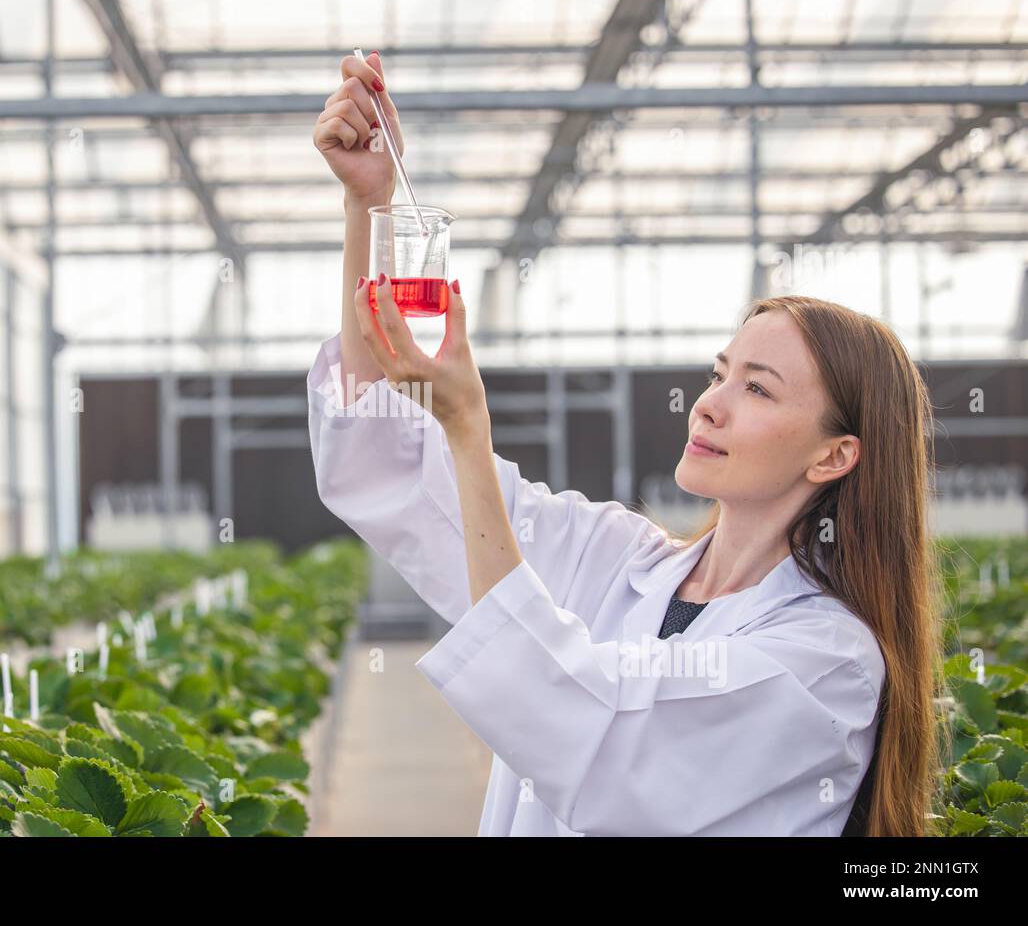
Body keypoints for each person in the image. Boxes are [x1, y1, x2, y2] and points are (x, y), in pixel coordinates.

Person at [310, 51, 946, 836]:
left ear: (833, 455)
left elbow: (588, 734)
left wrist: (469, 429)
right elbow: (391, 466)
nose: (709, 404)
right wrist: (369, 208)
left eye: (757, 388)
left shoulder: (826, 663)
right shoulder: (618, 561)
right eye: (720, 373)